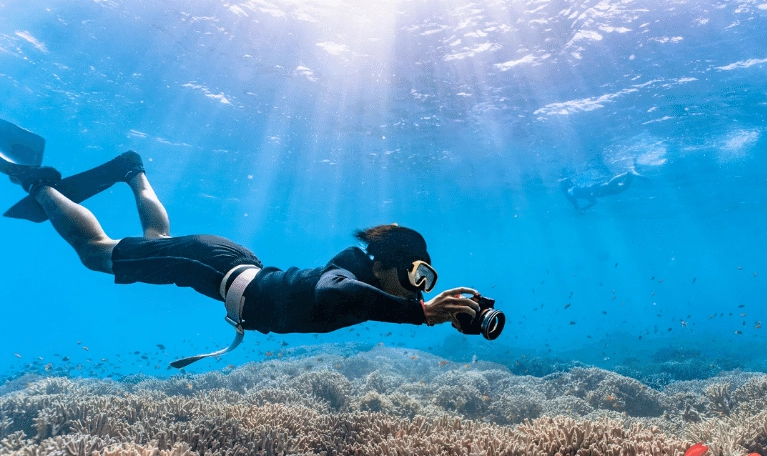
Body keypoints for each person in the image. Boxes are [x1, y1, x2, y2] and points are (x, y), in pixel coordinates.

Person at [4, 153, 480, 367]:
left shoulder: (365, 278)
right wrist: (419, 312)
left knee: (158, 240)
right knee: (95, 255)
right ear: (385, 265)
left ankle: (133, 170)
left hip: (226, 264)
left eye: (427, 280)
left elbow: (356, 298)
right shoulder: (348, 276)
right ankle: (38, 183)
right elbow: (334, 291)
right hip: (212, 265)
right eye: (417, 275)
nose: (420, 286)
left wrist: (433, 311)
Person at [560, 164, 649, 211]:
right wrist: (583, 208)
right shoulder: (578, 193)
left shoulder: (572, 192)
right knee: (622, 189)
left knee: (609, 186)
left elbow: (586, 199)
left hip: (595, 190)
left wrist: (579, 208)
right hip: (598, 193)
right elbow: (593, 202)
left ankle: (628, 173)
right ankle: (630, 175)